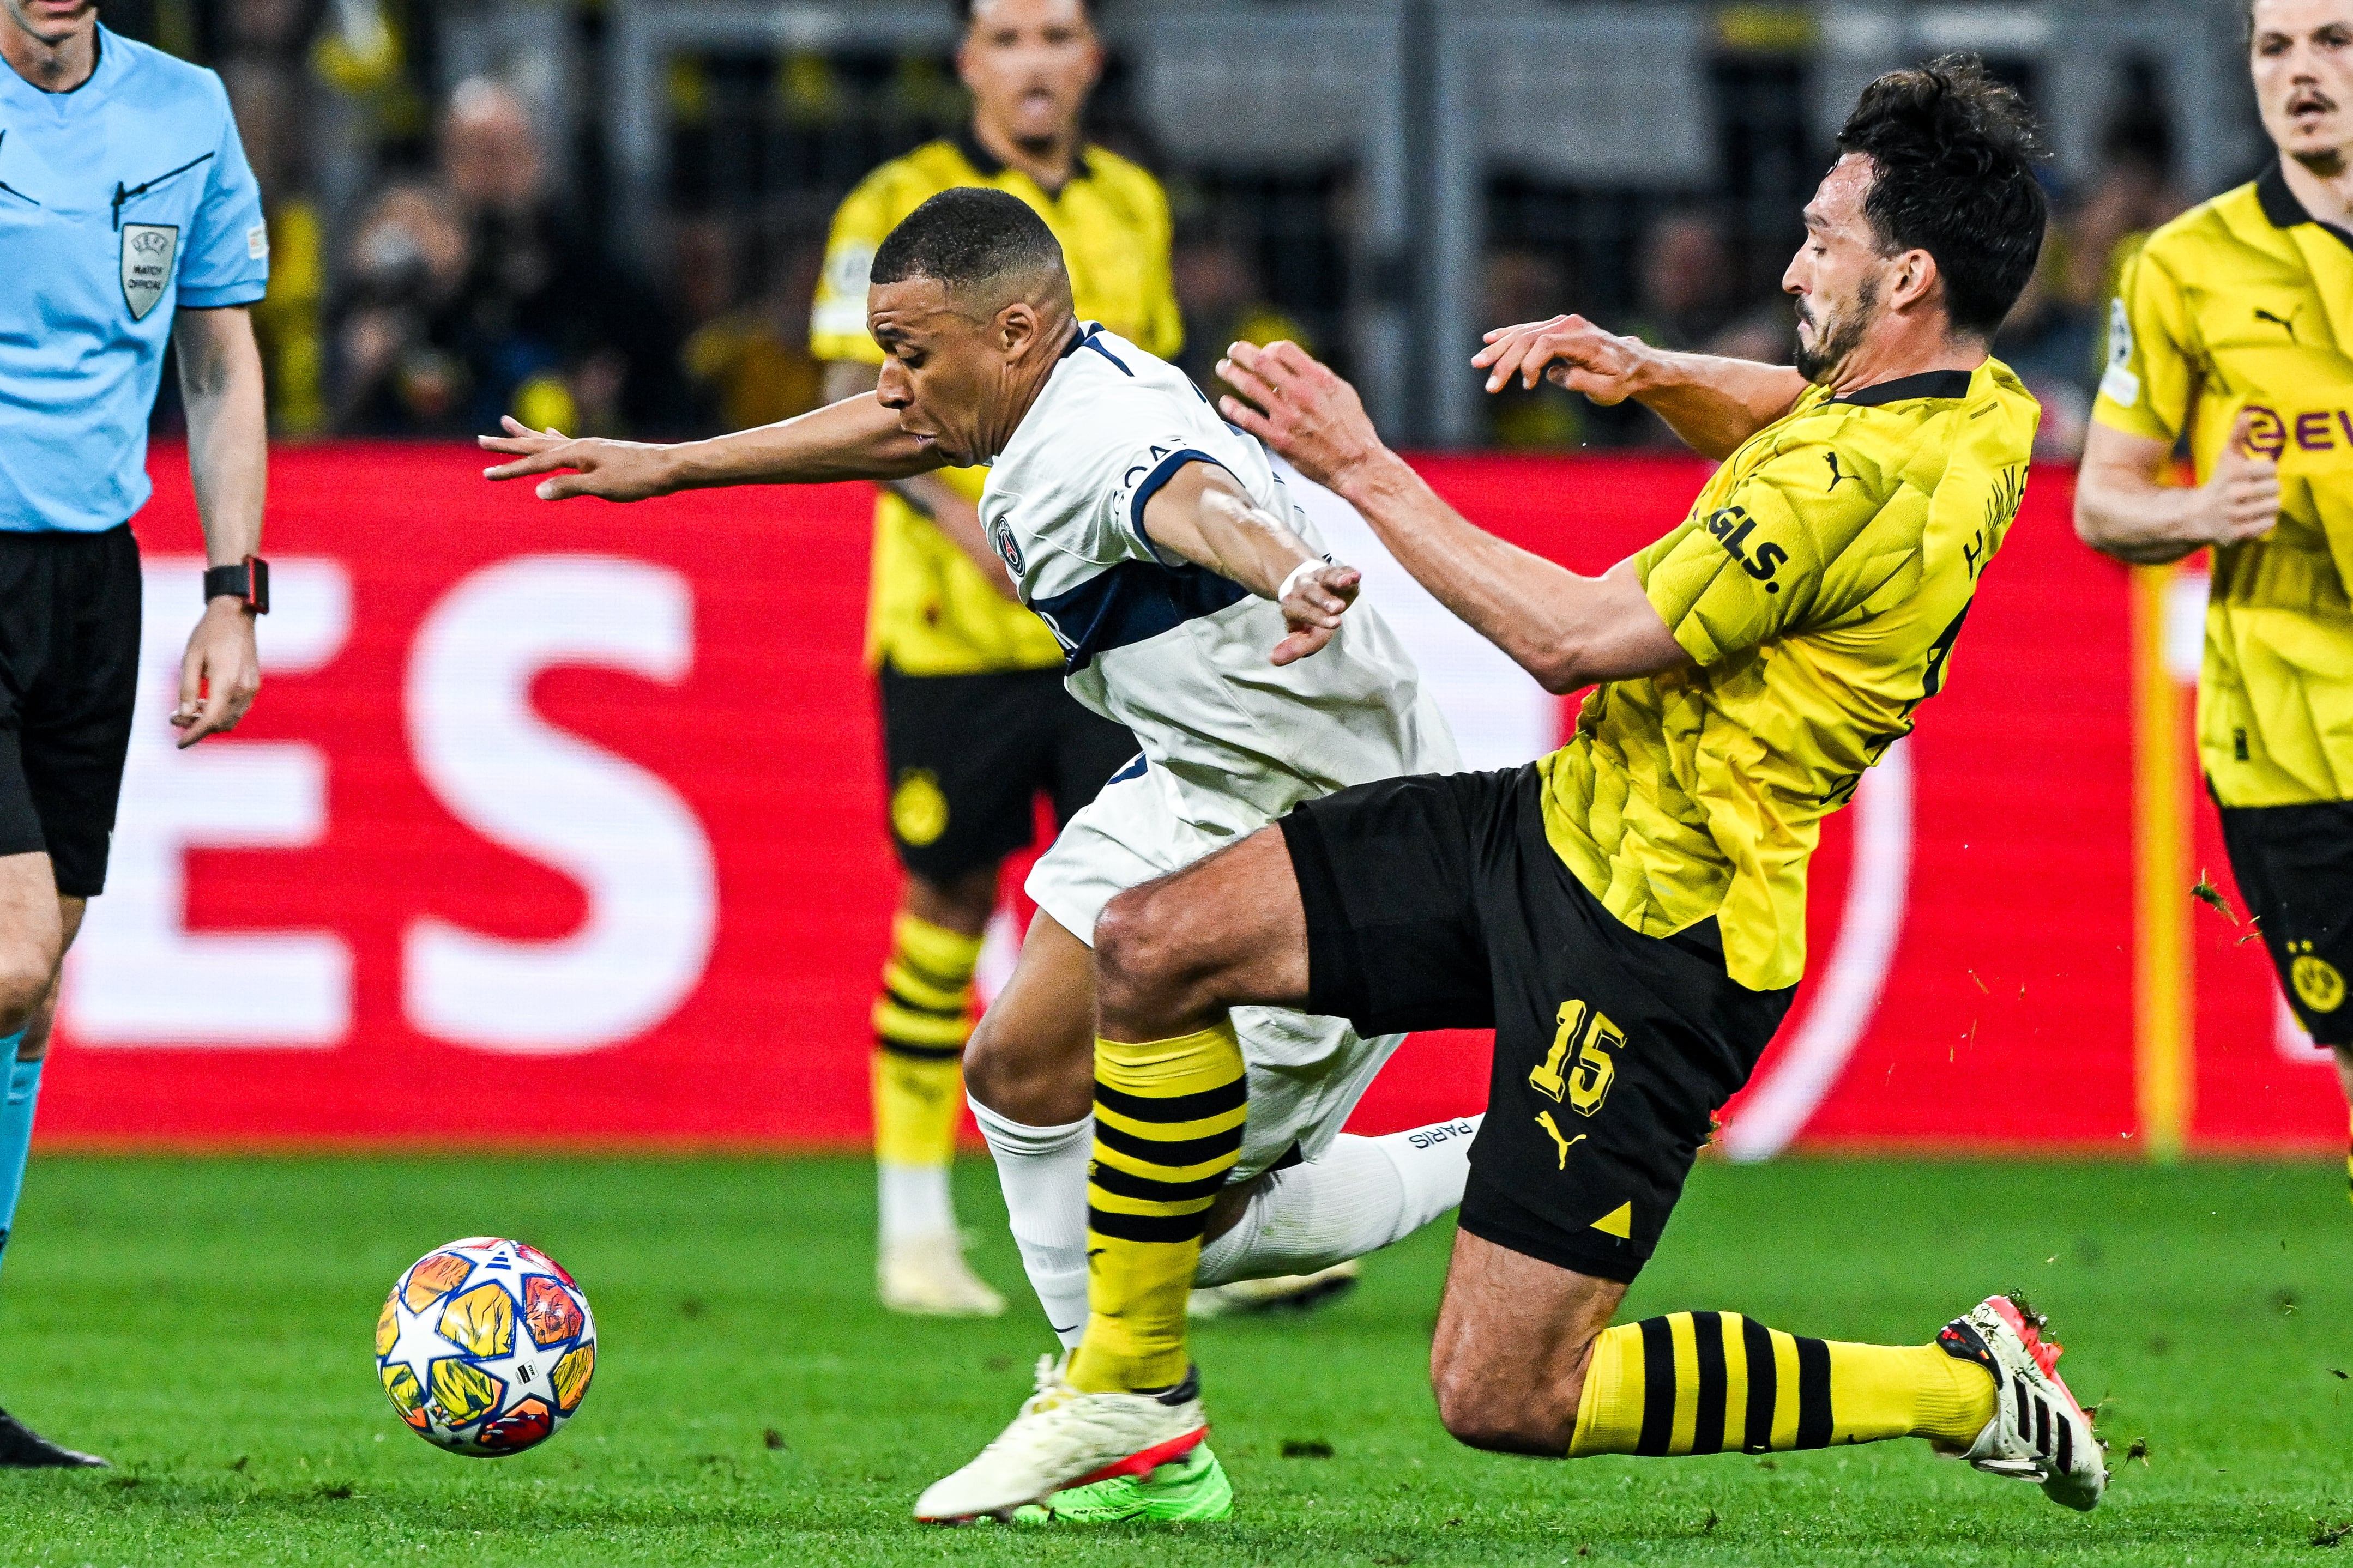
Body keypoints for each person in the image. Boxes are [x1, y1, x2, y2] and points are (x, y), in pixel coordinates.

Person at [904, 57, 2114, 1523]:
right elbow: (1796, 397)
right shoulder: (1972, 403)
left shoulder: (1845, 486)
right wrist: (1652, 366)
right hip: (1550, 828)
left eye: (1821, 240)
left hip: (1659, 932)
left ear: (1905, 273)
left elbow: (1570, 634)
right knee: (1154, 942)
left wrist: (1361, 464)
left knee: (1504, 1394)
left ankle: (1966, 1385)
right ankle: (1132, 1405)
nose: (1795, 262)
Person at [482, 186, 1475, 1524]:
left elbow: (1188, 498)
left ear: (1012, 330)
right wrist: (673, 464)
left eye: (911, 349)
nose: (893, 382)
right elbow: (900, 429)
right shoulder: (1042, 379)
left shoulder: (1095, 440)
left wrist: (1285, 567)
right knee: (1014, 1068)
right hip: (1192, 776)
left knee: (1195, 1211)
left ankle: (1503, 1150)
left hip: (1324, 806)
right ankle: (1124, 1417)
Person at [804, 0, 1183, 1319]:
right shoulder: (899, 203)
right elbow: (855, 404)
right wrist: (972, 528)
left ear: (1089, 61)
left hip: (1105, 637)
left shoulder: (1133, 203)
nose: (1033, 61)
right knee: (947, 903)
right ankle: (913, 1226)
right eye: (1007, 37)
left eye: (1055, 35)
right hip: (949, 633)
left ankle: (1150, 1225)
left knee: (1129, 930)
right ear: (969, 63)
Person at [0, 0, 272, 1466]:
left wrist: (233, 590)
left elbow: (217, 362)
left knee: (33, 999)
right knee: (9, 955)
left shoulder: (185, 111)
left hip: (94, 570)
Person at [2075, 0, 2353, 1190]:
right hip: (2288, 733)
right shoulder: (2183, 265)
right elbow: (2102, 502)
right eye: (2274, 46)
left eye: (2335, 41)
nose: (2302, 72)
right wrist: (2198, 512)